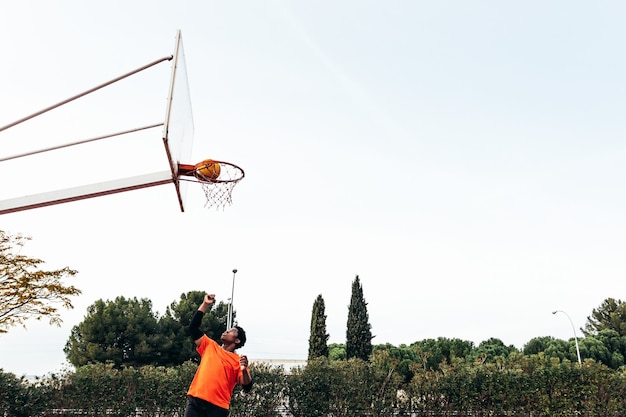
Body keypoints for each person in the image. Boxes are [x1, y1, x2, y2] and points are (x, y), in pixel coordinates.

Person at [184, 294, 253, 417]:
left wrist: (244, 370)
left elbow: (247, 386)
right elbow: (193, 327)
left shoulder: (238, 360)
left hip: (217, 408)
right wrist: (205, 304)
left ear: (237, 340)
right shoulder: (210, 345)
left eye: (231, 331)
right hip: (196, 402)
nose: (226, 331)